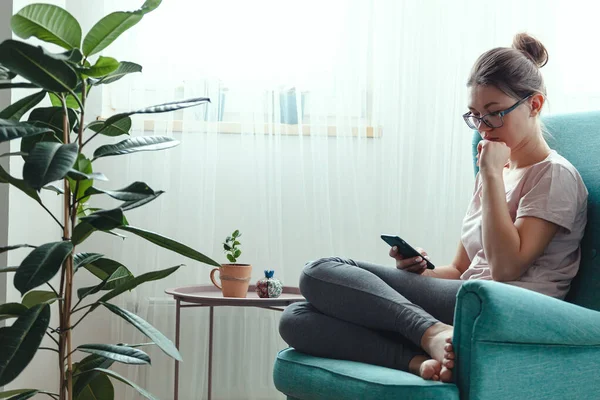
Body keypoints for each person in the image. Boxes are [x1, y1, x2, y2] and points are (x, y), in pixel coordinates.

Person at [278, 33, 588, 383]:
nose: (484, 128)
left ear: (534, 104)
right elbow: (460, 269)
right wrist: (420, 272)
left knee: (319, 271)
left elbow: (504, 270)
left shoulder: (553, 176)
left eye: (495, 114)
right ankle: (423, 360)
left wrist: (489, 175)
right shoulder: (497, 170)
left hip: (506, 308)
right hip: (467, 297)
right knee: (297, 318)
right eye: (475, 116)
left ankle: (430, 333)